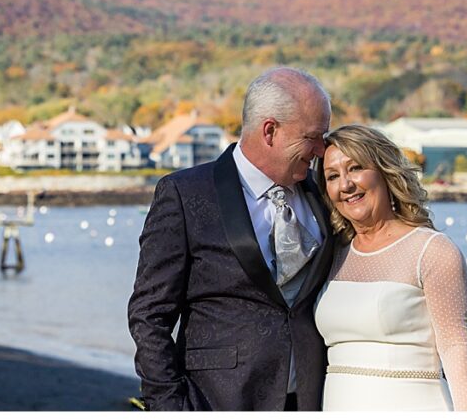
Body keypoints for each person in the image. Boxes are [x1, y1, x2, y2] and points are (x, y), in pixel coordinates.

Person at [128, 67, 335, 411]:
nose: (321, 150)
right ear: (270, 131)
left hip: (311, 402)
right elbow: (149, 315)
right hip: (217, 401)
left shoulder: (323, 194)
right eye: (313, 137)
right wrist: (169, 406)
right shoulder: (185, 194)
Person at [314, 124, 467, 411]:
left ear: (385, 171)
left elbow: (457, 350)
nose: (345, 185)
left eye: (355, 168)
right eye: (332, 176)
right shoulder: (332, 255)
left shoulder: (432, 250)